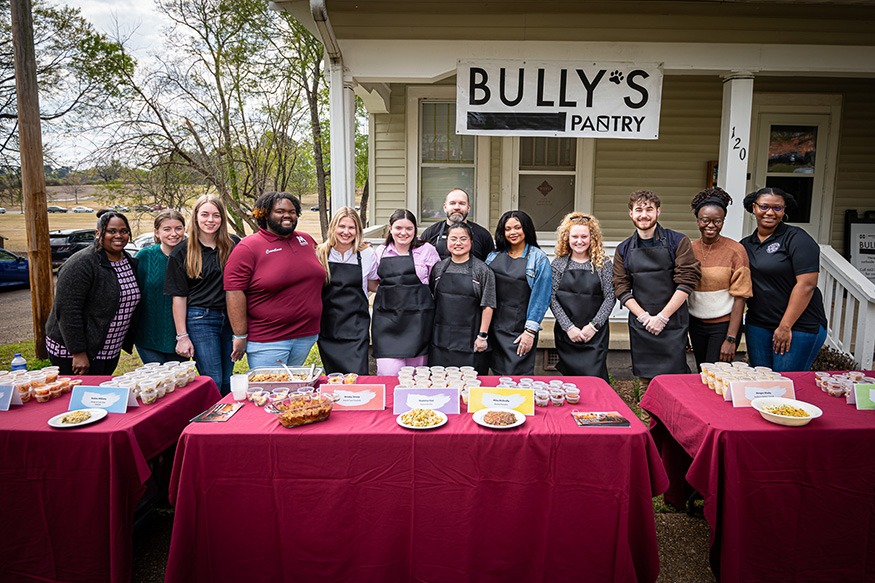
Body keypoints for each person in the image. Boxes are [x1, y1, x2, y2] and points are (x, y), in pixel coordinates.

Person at [225, 192, 325, 370]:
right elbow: (234, 291)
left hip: (305, 335)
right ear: (265, 214)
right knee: (270, 392)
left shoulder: (306, 240)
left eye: (292, 211)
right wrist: (240, 334)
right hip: (268, 339)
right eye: (280, 211)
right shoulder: (248, 247)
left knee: (293, 390)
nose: (287, 215)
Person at [613, 191, 701, 383]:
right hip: (641, 322)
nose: (643, 215)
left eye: (649, 209)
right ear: (631, 214)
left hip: (672, 321)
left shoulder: (677, 241)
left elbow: (686, 280)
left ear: (658, 211)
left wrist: (662, 317)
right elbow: (621, 287)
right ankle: (646, 414)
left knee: (675, 379)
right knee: (645, 380)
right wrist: (645, 317)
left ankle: (671, 414)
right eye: (638, 210)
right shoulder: (623, 249)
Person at [740, 187, 827, 372]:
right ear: (753, 208)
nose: (770, 212)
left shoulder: (797, 239)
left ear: (784, 210)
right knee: (761, 382)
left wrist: (785, 326)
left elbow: (807, 285)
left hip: (798, 326)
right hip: (759, 325)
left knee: (786, 383)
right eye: (763, 207)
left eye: (777, 208)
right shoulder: (745, 245)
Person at [45, 211, 142, 375]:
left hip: (109, 349)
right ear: (98, 234)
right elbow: (68, 310)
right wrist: (78, 352)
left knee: (99, 396)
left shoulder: (129, 262)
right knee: (78, 397)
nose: (118, 235)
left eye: (123, 231)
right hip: (73, 352)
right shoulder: (81, 263)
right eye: (111, 231)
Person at [165, 195, 238, 395]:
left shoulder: (234, 245)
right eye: (204, 214)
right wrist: (182, 336)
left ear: (222, 218)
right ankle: (211, 423)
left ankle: (226, 421)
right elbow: (178, 297)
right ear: (196, 217)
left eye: (216, 215)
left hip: (230, 318)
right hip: (200, 319)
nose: (210, 220)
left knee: (227, 378)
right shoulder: (182, 252)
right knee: (212, 377)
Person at [687, 188, 752, 369]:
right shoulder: (689, 250)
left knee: (716, 372)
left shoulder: (736, 251)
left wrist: (731, 338)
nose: (711, 225)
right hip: (696, 324)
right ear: (698, 220)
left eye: (717, 221)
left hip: (723, 326)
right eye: (705, 220)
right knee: (702, 370)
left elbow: (741, 297)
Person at [372, 209, 440, 376]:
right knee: (389, 373)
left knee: (417, 378)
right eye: (398, 228)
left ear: (415, 229)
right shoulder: (380, 252)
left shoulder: (427, 250)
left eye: (409, 228)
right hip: (387, 324)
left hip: (418, 323)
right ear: (390, 228)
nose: (404, 233)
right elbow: (373, 283)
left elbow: (437, 283)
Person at [485, 210, 551, 375]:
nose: (512, 232)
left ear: (526, 229)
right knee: (495, 377)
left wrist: (530, 332)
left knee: (518, 379)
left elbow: (541, 299)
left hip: (519, 331)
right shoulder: (493, 256)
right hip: (493, 329)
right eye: (508, 229)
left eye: (517, 227)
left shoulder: (538, 259)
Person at [550, 212, 615, 381]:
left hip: (595, 334)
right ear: (567, 238)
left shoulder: (603, 264)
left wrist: (593, 326)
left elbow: (610, 297)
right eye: (575, 236)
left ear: (592, 238)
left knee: (595, 379)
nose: (579, 241)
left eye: (584, 236)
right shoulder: (558, 264)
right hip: (567, 334)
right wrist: (569, 327)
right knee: (571, 381)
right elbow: (552, 298)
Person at [315, 207, 379, 374]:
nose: (346, 232)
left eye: (351, 227)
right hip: (328, 328)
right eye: (341, 226)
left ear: (358, 230)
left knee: (357, 378)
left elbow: (372, 284)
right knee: (333, 378)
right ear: (333, 228)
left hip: (356, 328)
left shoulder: (367, 254)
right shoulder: (320, 254)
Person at [429, 221, 496, 373]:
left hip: (471, 342)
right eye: (453, 239)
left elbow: (488, 305)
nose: (458, 243)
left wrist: (482, 336)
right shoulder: (438, 268)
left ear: (471, 242)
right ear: (447, 242)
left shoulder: (483, 270)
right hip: (440, 342)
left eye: (463, 239)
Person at [134, 210, 186, 364]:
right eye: (167, 229)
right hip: (148, 336)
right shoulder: (145, 256)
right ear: (156, 232)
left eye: (178, 228)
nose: (174, 234)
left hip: (181, 337)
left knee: (178, 382)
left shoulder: (191, 256)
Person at [420, 188, 495, 261]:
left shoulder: (483, 235)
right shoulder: (430, 234)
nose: (457, 207)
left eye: (462, 203)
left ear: (468, 208)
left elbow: (490, 266)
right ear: (445, 207)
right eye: (452, 203)